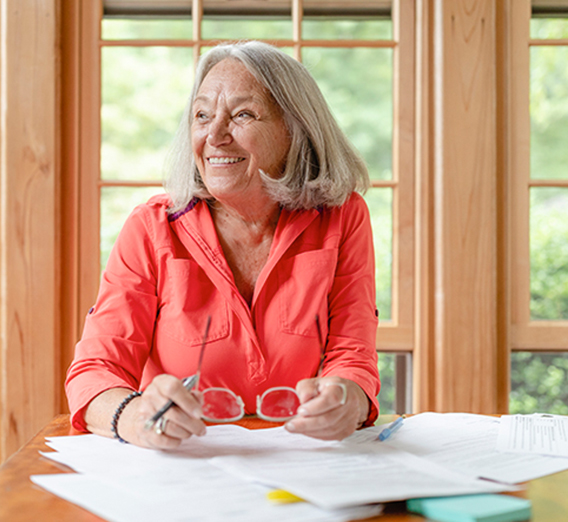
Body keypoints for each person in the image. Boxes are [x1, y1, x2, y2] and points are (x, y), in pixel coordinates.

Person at [66, 41, 379, 449]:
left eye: (242, 115)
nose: (214, 135)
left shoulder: (343, 216)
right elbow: (94, 371)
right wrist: (135, 415)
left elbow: (352, 355)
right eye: (201, 115)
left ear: (295, 128)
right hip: (187, 462)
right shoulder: (151, 227)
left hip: (304, 463)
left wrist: (347, 400)